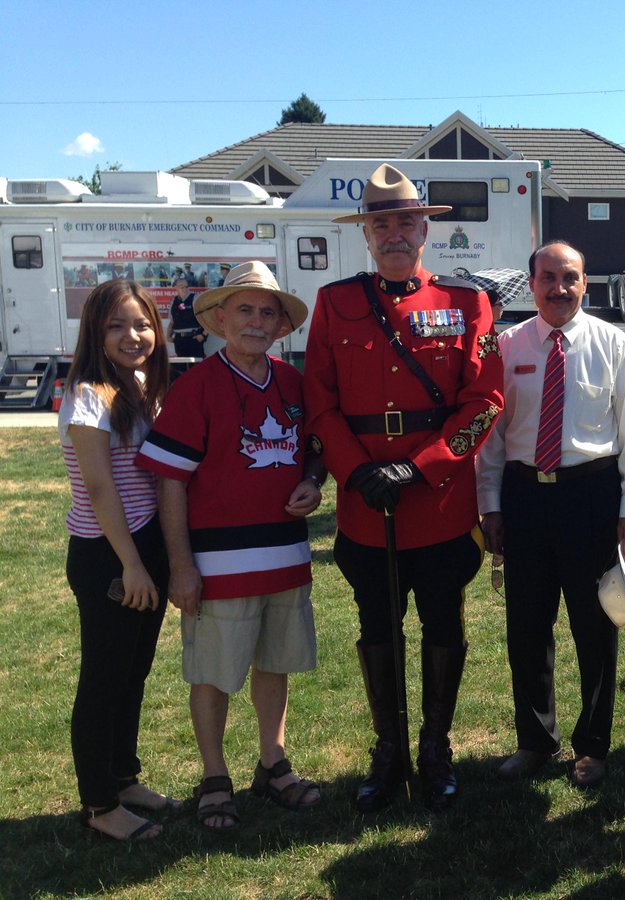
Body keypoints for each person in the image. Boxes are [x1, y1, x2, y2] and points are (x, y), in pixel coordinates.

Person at [303, 163, 504, 812]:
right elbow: (319, 399)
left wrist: (421, 468)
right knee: (377, 628)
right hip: (366, 505)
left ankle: (435, 750)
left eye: (404, 221)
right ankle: (387, 752)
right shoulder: (336, 303)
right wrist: (355, 469)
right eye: (380, 223)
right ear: (366, 234)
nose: (394, 232)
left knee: (444, 623)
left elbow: (484, 401)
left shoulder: (465, 304)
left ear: (425, 229)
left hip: (438, 505)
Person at [137, 261, 324, 831]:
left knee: (276, 664)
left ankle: (273, 761)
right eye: (245, 309)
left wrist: (314, 482)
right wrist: (179, 566)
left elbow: (315, 446)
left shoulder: (293, 383)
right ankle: (214, 775)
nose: (257, 320)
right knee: (214, 673)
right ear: (219, 319)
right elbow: (170, 481)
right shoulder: (196, 387)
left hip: (287, 557)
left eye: (268, 312)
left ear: (282, 326)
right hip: (218, 564)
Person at [477, 240, 625, 789]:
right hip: (526, 497)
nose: (558, 288)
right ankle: (535, 742)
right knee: (526, 626)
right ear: (531, 284)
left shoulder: (613, 344)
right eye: (548, 277)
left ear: (586, 283)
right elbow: (493, 440)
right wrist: (491, 505)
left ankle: (593, 746)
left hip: (591, 497)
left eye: (569, 277)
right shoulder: (506, 347)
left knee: (595, 626)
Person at [60, 280, 173, 842]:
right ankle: (100, 805)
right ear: (94, 334)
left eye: (142, 323)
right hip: (109, 553)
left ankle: (123, 777)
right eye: (116, 326)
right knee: (104, 678)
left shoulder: (135, 385)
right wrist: (131, 565)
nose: (133, 336)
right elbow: (100, 489)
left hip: (142, 546)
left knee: (134, 672)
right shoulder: (88, 394)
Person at [168, 277, 207, 359]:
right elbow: (172, 322)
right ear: (176, 288)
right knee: (181, 369)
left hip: (194, 339)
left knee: (197, 369)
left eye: (186, 286)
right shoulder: (173, 302)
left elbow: (206, 319)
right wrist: (168, 336)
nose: (185, 289)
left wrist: (203, 335)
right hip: (179, 340)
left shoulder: (195, 298)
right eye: (182, 287)